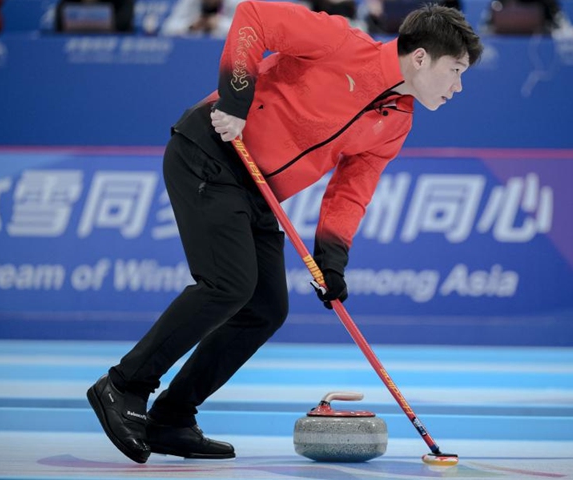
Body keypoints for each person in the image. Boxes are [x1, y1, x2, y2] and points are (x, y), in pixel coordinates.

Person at [87, 0, 482, 464]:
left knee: (266, 308)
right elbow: (253, 16)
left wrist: (331, 261)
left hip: (256, 190)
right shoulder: (340, 42)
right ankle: (123, 385)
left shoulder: (396, 121)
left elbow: (351, 192)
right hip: (210, 152)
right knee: (228, 285)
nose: (457, 87)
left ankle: (172, 415)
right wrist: (235, 101)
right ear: (420, 58)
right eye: (455, 71)